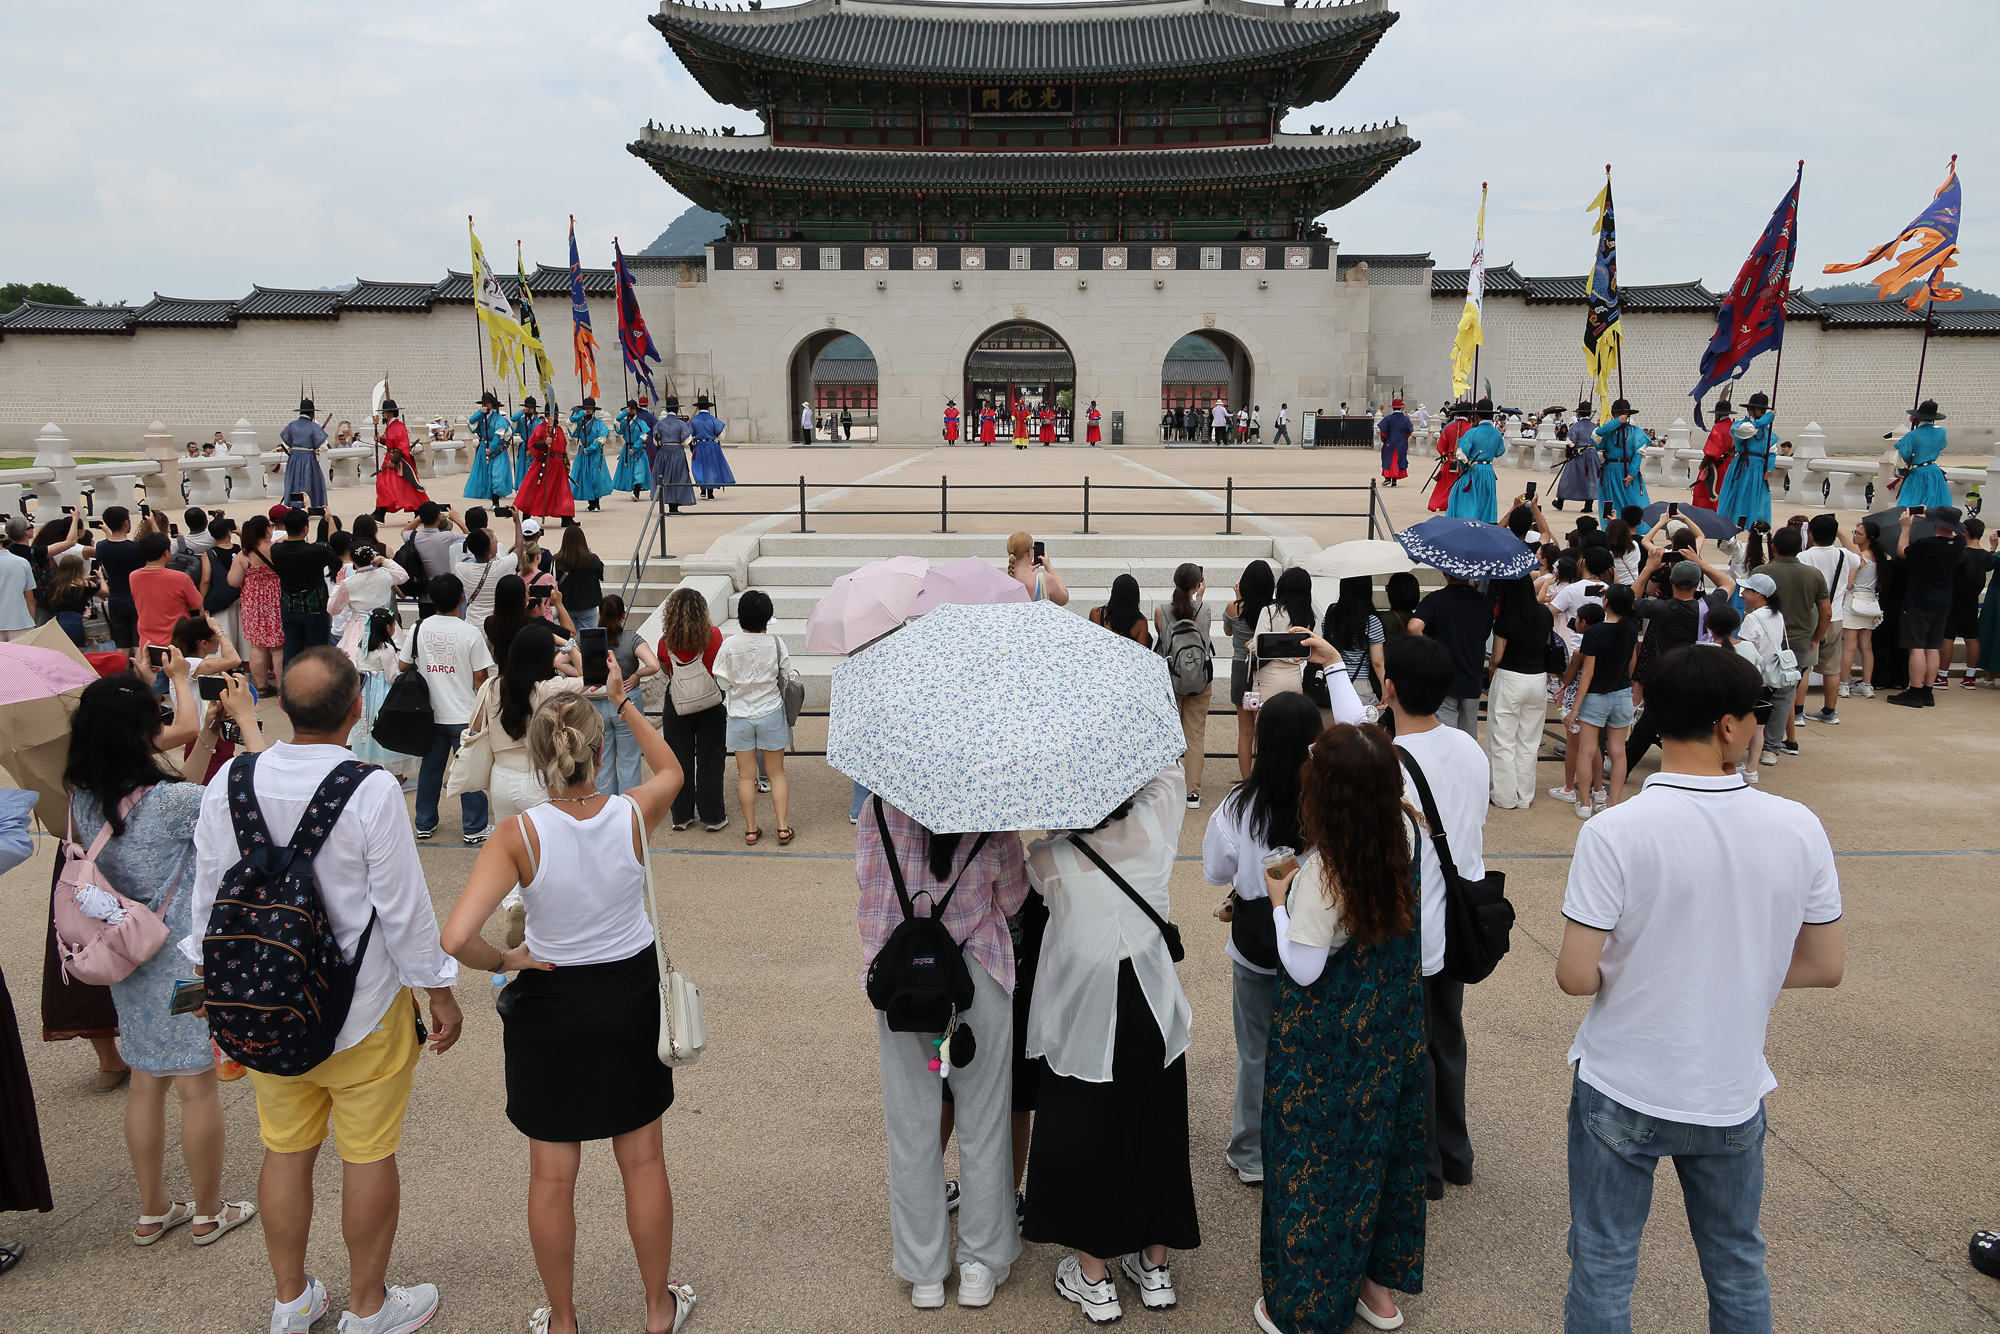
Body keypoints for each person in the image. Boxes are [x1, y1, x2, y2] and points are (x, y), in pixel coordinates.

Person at [1556, 644, 1844, 1334]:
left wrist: (1644, 968)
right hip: (1728, 1087)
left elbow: (1574, 975)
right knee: (1736, 1260)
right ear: (1728, 726)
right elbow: (1825, 964)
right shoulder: (1797, 826)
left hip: (1623, 1079)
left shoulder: (1614, 831)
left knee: (1602, 1259)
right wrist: (1741, 968)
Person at [188, 647, 464, 1334]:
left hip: (265, 1004)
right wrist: (439, 990)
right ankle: (368, 1307)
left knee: (285, 1149)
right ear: (355, 709)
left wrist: (209, 984)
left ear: (283, 705)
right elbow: (402, 908)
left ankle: (291, 1300)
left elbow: (208, 892)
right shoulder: (369, 789)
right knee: (367, 1153)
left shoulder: (232, 782)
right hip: (358, 1007)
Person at [440, 684, 695, 1334]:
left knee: (553, 1176)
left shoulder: (518, 834)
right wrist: (625, 703)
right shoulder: (634, 814)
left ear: (536, 759)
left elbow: (456, 937)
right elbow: (672, 769)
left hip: (551, 998)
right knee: (642, 1160)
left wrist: (507, 961)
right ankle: (658, 1308)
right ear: (599, 749)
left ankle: (562, 1318)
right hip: (627, 994)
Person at [67, 672, 264, 1251]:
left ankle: (153, 1210)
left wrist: (203, 739)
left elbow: (164, 799)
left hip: (127, 955)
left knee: (147, 1081)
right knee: (197, 1086)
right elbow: (249, 796)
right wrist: (245, 724)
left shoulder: (82, 796)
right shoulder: (175, 803)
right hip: (182, 961)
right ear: (137, 733)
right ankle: (208, 1212)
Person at [1256, 722, 1427, 1334]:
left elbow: (1303, 968)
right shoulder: (1403, 832)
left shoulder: (1324, 873)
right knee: (1379, 1150)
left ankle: (1305, 1306)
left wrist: (1279, 900)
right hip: (1387, 1027)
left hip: (1326, 1045)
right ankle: (1377, 1292)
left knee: (1315, 1164)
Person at [1023, 764, 1199, 1325]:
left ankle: (1094, 1276)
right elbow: (1171, 774)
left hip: (1088, 1014)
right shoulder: (1155, 827)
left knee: (1086, 1133)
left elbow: (1023, 884)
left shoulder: (1050, 859)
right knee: (1157, 1124)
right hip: (1151, 1004)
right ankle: (1154, 1268)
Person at [855, 791, 1028, 1311]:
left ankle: (924, 1271)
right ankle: (981, 1262)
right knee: (984, 1120)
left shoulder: (877, 812)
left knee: (911, 1127)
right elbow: (1014, 896)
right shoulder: (992, 809)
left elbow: (871, 896)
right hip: (977, 972)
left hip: (905, 985)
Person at [1378, 636, 1488, 1208]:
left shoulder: (1391, 763)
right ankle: (1455, 1152)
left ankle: (1423, 1168)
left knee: (1409, 1050)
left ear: (1390, 687)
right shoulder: (1470, 749)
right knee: (1447, 1038)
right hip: (1459, 918)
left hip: (1412, 926)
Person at [1202, 692, 1320, 1188]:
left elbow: (1214, 870)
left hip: (1255, 944)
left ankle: (1250, 1151)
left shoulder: (1237, 805)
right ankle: (1304, 1146)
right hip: (1315, 941)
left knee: (1256, 1052)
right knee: (1311, 1050)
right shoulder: (1328, 801)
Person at [398, 573, 494, 844]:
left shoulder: (419, 627)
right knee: (469, 771)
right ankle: (474, 827)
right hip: (465, 714)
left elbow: (403, 665)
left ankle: (424, 823)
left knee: (430, 769)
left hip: (429, 714)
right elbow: (480, 679)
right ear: (461, 598)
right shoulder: (470, 633)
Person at [712, 589, 792, 846]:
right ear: (767, 617)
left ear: (740, 616)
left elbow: (721, 680)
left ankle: (751, 829)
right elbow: (787, 674)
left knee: (746, 775)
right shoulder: (776, 643)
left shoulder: (729, 645)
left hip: (739, 714)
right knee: (776, 773)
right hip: (770, 710)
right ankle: (782, 827)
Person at [657, 587, 729, 832]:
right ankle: (712, 815)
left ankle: (681, 815)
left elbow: (667, 671)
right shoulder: (714, 636)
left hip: (677, 703)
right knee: (711, 759)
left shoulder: (665, 642)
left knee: (678, 760)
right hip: (710, 701)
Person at [1750, 525, 1829, 746]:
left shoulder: (1761, 572)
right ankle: (1771, 746)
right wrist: (1815, 638)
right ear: (1800, 547)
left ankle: (1750, 740)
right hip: (1799, 641)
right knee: (1785, 695)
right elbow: (1826, 611)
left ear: (1773, 548)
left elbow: (1751, 608)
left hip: (1764, 640)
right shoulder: (1814, 574)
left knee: (1755, 690)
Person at [1565, 583, 1639, 816]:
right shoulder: (1632, 626)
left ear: (1605, 603)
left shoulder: (1595, 632)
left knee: (1587, 751)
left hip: (1596, 696)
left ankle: (1585, 804)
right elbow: (1632, 663)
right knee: (1618, 751)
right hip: (1623, 693)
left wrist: (1575, 708)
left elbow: (1587, 674)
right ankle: (1613, 802)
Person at [1486, 573, 1554, 809]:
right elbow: (1547, 646)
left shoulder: (1505, 618)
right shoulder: (1545, 613)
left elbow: (1496, 658)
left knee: (1502, 738)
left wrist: (1491, 675)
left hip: (1510, 677)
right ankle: (1525, 796)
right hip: (1537, 679)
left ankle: (1505, 796)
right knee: (1529, 740)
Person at [1889, 506, 1967, 707]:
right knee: (1933, 647)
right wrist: (1932, 518)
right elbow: (1956, 532)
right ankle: (1927, 691)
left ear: (1937, 524)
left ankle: (1914, 691)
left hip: (1920, 601)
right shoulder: (1959, 542)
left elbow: (1902, 552)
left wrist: (1906, 528)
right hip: (1943, 601)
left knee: (1916, 647)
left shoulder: (1926, 544)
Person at [1152, 562, 1212, 807]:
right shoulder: (1204, 609)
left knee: (1169, 734)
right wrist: (1200, 598)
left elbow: (1163, 641)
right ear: (1198, 584)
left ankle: (1167, 788)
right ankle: (1193, 793)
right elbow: (1205, 640)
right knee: (1195, 735)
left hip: (1171, 679)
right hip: (1199, 680)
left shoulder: (1161, 610)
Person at [1406, 571, 1491, 739]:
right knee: (1468, 738)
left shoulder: (1435, 600)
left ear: (1445, 572)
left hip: (1443, 677)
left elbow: (1413, 627)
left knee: (1444, 737)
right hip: (1473, 676)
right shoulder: (1483, 602)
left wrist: (1432, 649)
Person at [591, 595, 660, 795]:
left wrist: (584, 676)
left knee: (603, 761)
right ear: (623, 614)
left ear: (599, 614)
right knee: (629, 759)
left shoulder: (589, 639)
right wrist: (637, 675)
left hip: (598, 700)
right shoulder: (631, 638)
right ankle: (629, 807)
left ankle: (606, 806)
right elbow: (654, 665)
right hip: (626, 698)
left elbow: (559, 660)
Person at [1796, 514, 1854, 722]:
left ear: (1810, 533)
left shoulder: (1805, 556)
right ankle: (1829, 711)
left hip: (1810, 617)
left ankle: (1797, 713)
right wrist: (1840, 533)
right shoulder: (1843, 555)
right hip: (1835, 617)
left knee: (1803, 667)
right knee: (1831, 669)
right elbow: (1859, 557)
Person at [268, 508, 339, 666]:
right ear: (306, 528)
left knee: (291, 649)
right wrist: (330, 521)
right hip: (314, 606)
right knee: (318, 651)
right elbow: (334, 548)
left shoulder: (276, 550)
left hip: (289, 606)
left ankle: (289, 686)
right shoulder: (316, 551)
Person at [1225, 559, 1276, 776]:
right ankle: (1265, 777)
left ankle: (1247, 781)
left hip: (1241, 667)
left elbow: (1228, 631)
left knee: (1245, 731)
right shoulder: (1273, 609)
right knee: (1267, 730)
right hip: (1266, 668)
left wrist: (1238, 601)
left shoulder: (1233, 607)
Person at [227, 515, 285, 691]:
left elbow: (233, 581)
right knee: (278, 646)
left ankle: (261, 686)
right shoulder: (277, 549)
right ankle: (283, 686)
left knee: (258, 646)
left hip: (253, 603)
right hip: (277, 600)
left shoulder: (244, 555)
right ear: (268, 530)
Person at [128, 529, 204, 660]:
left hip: (148, 640)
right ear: (166, 553)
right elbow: (197, 604)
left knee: (154, 679)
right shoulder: (180, 578)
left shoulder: (133, 576)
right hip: (177, 640)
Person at [1320, 574, 1386, 706]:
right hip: (1359, 684)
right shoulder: (1371, 621)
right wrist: (1385, 688)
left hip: (1333, 679)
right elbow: (1378, 661)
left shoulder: (1331, 614)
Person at [1715, 391, 1778, 529]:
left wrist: (1770, 467)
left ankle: (1758, 525)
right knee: (1740, 495)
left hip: (1760, 467)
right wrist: (1764, 420)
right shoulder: (1741, 425)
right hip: (1745, 465)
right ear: (1750, 410)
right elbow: (1748, 431)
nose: (1762, 412)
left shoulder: (1767, 431)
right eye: (1759, 409)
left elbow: (1772, 450)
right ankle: (1733, 523)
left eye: (1764, 410)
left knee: (1761, 498)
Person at [1837, 521, 1885, 701]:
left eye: (1859, 533)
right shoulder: (1878, 556)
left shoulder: (1859, 558)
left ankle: (1843, 685)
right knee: (1866, 647)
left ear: (1869, 537)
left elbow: (1849, 584)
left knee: (1849, 646)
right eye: (1854, 532)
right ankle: (1867, 684)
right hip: (1870, 602)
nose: (1855, 536)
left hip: (1854, 601)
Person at [1945, 516, 1992, 687]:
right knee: (1971, 638)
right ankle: (1970, 676)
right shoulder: (1986, 556)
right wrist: (1993, 548)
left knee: (1947, 637)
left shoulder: (1959, 554)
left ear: (1964, 532)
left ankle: (1942, 675)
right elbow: (1989, 564)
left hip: (1954, 599)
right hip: (1972, 601)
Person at [1445, 398, 1506, 522]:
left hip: (1473, 470)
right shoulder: (1497, 434)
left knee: (1467, 500)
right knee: (1485, 500)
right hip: (1488, 470)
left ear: (1477, 415)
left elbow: (1461, 454)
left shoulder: (1472, 432)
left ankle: (1466, 522)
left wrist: (1465, 465)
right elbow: (1499, 452)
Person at [514, 408, 577, 522]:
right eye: (552, 414)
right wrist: (545, 442)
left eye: (556, 414)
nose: (555, 417)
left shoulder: (559, 430)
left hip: (558, 464)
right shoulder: (540, 428)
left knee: (563, 491)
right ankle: (526, 517)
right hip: (544, 462)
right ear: (547, 415)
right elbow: (533, 444)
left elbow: (562, 449)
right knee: (534, 489)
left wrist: (566, 463)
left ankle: (567, 518)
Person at [1593, 398, 1650, 522]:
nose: (1621, 416)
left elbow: (1638, 454)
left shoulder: (1636, 432)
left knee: (1631, 501)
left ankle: (1633, 529)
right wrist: (1616, 422)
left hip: (1627, 471)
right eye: (1618, 413)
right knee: (1610, 502)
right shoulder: (1608, 431)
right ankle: (1610, 528)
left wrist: (1632, 473)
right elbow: (1596, 438)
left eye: (1623, 413)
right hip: (1609, 472)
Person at [371, 399, 428, 518]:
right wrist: (380, 439)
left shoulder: (398, 426)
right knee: (386, 485)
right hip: (391, 458)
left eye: (384, 412)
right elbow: (390, 442)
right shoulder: (391, 426)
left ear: (389, 413)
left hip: (397, 461)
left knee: (391, 485)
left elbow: (402, 446)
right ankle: (380, 512)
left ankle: (381, 513)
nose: (383, 415)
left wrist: (393, 460)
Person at [1894, 399, 1951, 511]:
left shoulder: (1912, 435)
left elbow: (1902, 457)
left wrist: (1902, 472)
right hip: (1935, 473)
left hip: (1917, 475)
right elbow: (1942, 445)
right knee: (1935, 506)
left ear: (1918, 417)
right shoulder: (1941, 432)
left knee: (1911, 504)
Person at [466, 391, 517, 503]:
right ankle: (490, 497)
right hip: (483, 447)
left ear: (493, 404)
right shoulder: (481, 417)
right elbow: (471, 423)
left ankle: (495, 501)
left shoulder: (498, 418)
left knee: (497, 476)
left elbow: (499, 435)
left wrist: (492, 448)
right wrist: (480, 412)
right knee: (485, 476)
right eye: (484, 403)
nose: (486, 405)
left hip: (496, 448)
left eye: (488, 403)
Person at [568, 397, 616, 514]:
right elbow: (570, 422)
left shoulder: (599, 424)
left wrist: (590, 449)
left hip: (594, 453)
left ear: (594, 410)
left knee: (595, 477)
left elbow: (602, 439)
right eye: (586, 409)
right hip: (583, 453)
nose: (588, 411)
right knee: (585, 478)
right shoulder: (580, 422)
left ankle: (596, 503)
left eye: (589, 409)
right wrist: (580, 414)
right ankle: (590, 503)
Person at [651, 396, 698, 513]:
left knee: (664, 478)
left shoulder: (659, 424)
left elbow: (656, 441)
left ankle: (669, 504)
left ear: (667, 410)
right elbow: (686, 441)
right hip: (677, 452)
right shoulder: (681, 424)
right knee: (678, 477)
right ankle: (674, 506)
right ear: (677, 409)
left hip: (663, 452)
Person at [279, 399, 328, 509]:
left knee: (294, 481)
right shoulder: (314, 427)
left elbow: (286, 444)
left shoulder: (292, 425)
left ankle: (294, 505)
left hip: (294, 458)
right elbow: (323, 446)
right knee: (308, 482)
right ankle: (310, 505)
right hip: (308, 458)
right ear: (312, 413)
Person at [554, 526, 605, 632]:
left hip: (565, 606)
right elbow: (600, 575)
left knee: (568, 638)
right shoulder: (592, 559)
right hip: (588, 605)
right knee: (587, 639)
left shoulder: (557, 560)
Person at [44, 550, 99, 647]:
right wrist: (101, 578)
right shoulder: (85, 585)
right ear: (79, 569)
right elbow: (105, 592)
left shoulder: (56, 583)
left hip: (55, 620)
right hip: (74, 620)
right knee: (78, 652)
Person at [1426, 403, 1472, 513]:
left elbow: (1440, 446)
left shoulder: (1449, 427)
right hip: (1465, 460)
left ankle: (1440, 503)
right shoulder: (1471, 428)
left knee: (1445, 484)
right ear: (1469, 415)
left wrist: (1444, 455)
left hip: (1450, 458)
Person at [1691, 399, 1734, 511]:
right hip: (1729, 465)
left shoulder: (1718, 427)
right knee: (1724, 493)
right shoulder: (1734, 426)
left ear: (1718, 414)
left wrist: (1702, 465)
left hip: (1716, 466)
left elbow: (1712, 451)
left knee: (1707, 494)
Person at [1006, 531, 1070, 606]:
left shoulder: (1003, 579)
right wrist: (1049, 567)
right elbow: (1064, 599)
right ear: (1030, 552)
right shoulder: (1044, 580)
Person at [689, 396, 734, 501]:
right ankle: (710, 492)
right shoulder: (714, 420)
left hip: (699, 446)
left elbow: (690, 435)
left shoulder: (694, 420)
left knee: (699, 467)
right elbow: (721, 435)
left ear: (698, 407)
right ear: (709, 407)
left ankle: (702, 489)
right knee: (711, 467)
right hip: (711, 446)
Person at [1088, 573, 1151, 646]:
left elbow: (1093, 644)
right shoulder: (1140, 622)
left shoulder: (1096, 614)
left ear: (1113, 593)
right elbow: (1142, 653)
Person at [612, 398, 655, 500]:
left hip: (638, 449)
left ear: (636, 410)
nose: (631, 411)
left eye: (633, 409)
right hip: (627, 448)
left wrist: (635, 448)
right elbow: (617, 425)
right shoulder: (624, 422)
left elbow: (644, 436)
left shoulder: (641, 422)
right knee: (629, 471)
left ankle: (636, 492)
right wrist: (624, 413)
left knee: (638, 471)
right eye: (629, 409)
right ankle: (632, 488)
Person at [1377, 398, 1412, 485]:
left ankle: (1388, 477)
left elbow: (1383, 432)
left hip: (1390, 442)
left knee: (1388, 459)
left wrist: (1385, 438)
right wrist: (1403, 438)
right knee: (1399, 459)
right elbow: (1409, 432)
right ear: (1401, 408)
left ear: (1392, 408)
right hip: (1401, 442)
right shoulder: (1406, 419)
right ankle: (1395, 480)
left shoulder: (1388, 418)